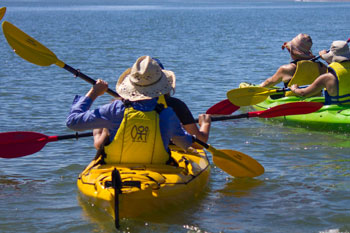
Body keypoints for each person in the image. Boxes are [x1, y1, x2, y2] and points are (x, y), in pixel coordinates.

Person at [66, 55, 194, 164]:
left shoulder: (114, 109)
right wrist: (181, 130)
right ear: (162, 86)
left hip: (116, 169)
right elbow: (185, 143)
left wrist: (94, 93)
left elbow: (73, 122)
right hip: (156, 171)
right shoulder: (167, 114)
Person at [93, 58, 211, 150]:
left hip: (123, 157)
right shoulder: (174, 106)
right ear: (164, 82)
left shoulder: (117, 106)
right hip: (160, 157)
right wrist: (205, 124)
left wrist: (98, 127)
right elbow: (199, 144)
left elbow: (99, 145)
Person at [259, 33, 327, 96]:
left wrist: (257, 88)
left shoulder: (286, 69)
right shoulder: (320, 66)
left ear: (292, 52)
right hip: (315, 102)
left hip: (292, 104)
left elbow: (269, 82)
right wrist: (326, 58)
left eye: (289, 50)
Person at [291, 40, 350, 105]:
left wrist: (294, 89)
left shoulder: (326, 78)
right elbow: (340, 68)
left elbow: (303, 93)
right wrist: (325, 57)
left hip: (334, 110)